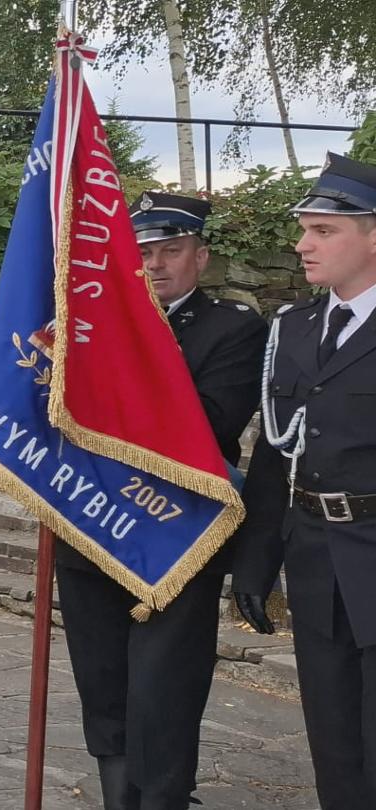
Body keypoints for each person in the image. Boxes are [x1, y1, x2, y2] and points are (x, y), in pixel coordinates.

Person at [56, 192, 266, 810]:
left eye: (170, 250)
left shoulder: (234, 327)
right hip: (91, 525)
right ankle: (119, 798)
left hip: (178, 535)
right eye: (142, 251)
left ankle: (166, 798)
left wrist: (121, 366)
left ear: (199, 256)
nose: (154, 264)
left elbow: (209, 421)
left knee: (164, 691)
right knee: (103, 683)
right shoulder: (91, 329)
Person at [232, 153, 376, 810]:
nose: (302, 243)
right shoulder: (294, 327)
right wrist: (256, 560)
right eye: (304, 228)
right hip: (316, 559)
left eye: (323, 230)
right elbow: (273, 457)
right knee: (335, 740)